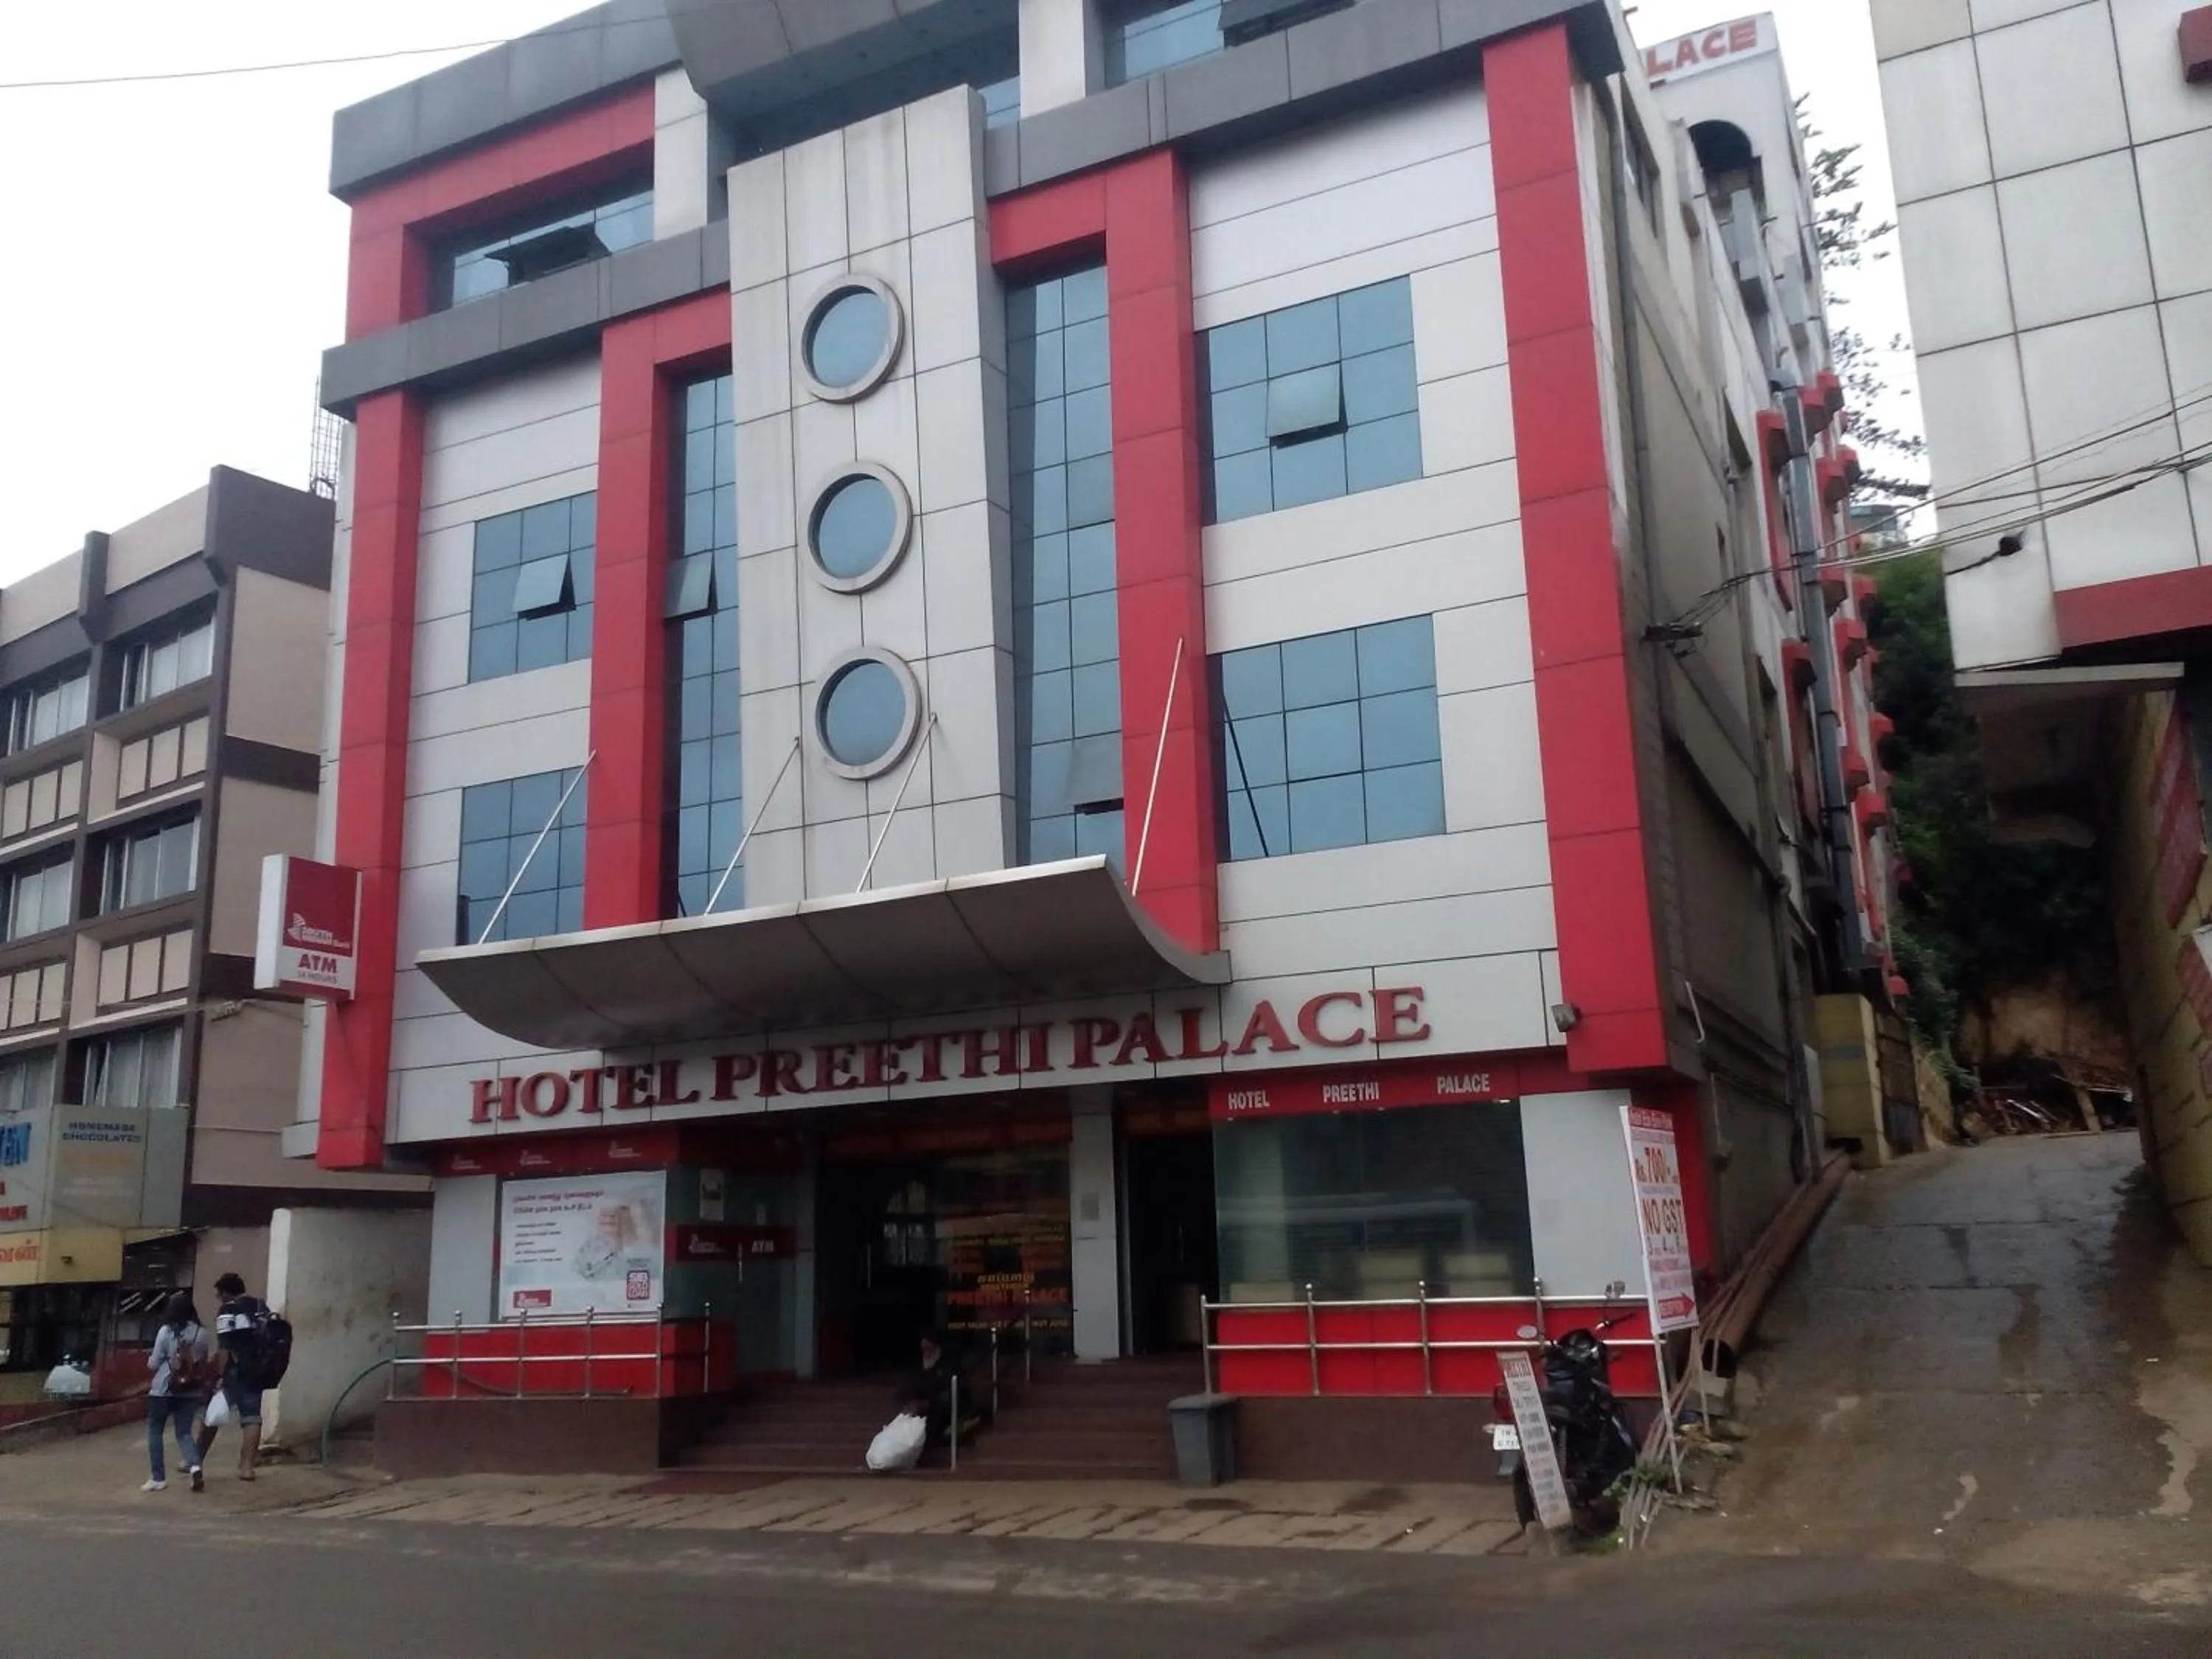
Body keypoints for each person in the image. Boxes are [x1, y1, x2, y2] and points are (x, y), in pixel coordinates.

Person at [197, 1270, 268, 1481]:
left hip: (235, 1372)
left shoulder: (228, 1310)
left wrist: (219, 1375)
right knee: (252, 1417)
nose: (218, 1298)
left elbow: (225, 1346)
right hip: (259, 1370)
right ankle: (247, 1468)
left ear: (225, 1293)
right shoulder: (260, 1306)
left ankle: (195, 1460)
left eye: (218, 1294)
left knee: (213, 1414)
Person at [144, 1293, 210, 1493]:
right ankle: (195, 1467)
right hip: (190, 1390)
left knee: (155, 1431)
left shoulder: (166, 1331)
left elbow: (153, 1363)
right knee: (184, 1433)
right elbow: (203, 1362)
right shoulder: (202, 1333)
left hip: (163, 1390)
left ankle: (158, 1478)